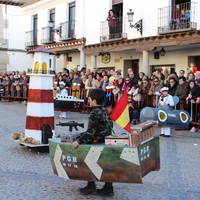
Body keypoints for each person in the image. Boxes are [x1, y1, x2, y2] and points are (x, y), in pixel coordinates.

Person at [72, 88, 114, 196]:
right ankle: (108, 188)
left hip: (97, 142)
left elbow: (91, 132)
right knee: (106, 164)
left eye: (90, 99)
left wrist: (78, 141)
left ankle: (91, 186)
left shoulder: (94, 113)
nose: (89, 101)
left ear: (94, 100)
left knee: (89, 162)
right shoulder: (105, 110)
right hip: (107, 141)